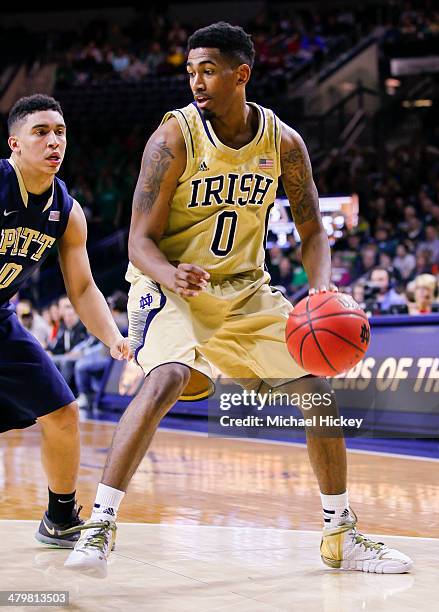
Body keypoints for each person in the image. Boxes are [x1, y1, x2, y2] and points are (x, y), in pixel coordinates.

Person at [66, 23, 413, 577]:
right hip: (168, 285)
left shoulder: (283, 143)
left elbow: (313, 230)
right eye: (190, 70)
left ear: (240, 74)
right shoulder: (174, 138)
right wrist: (170, 274)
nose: (196, 81)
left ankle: (341, 532)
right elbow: (138, 239)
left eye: (207, 70)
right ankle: (101, 523)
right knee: (168, 377)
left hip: (245, 289)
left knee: (316, 391)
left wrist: (320, 285)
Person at [0, 94, 131, 548]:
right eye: (41, 132)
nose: (53, 141)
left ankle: (59, 518)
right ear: (14, 143)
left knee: (62, 412)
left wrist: (114, 338)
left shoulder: (67, 210)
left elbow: (83, 289)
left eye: (60, 132)